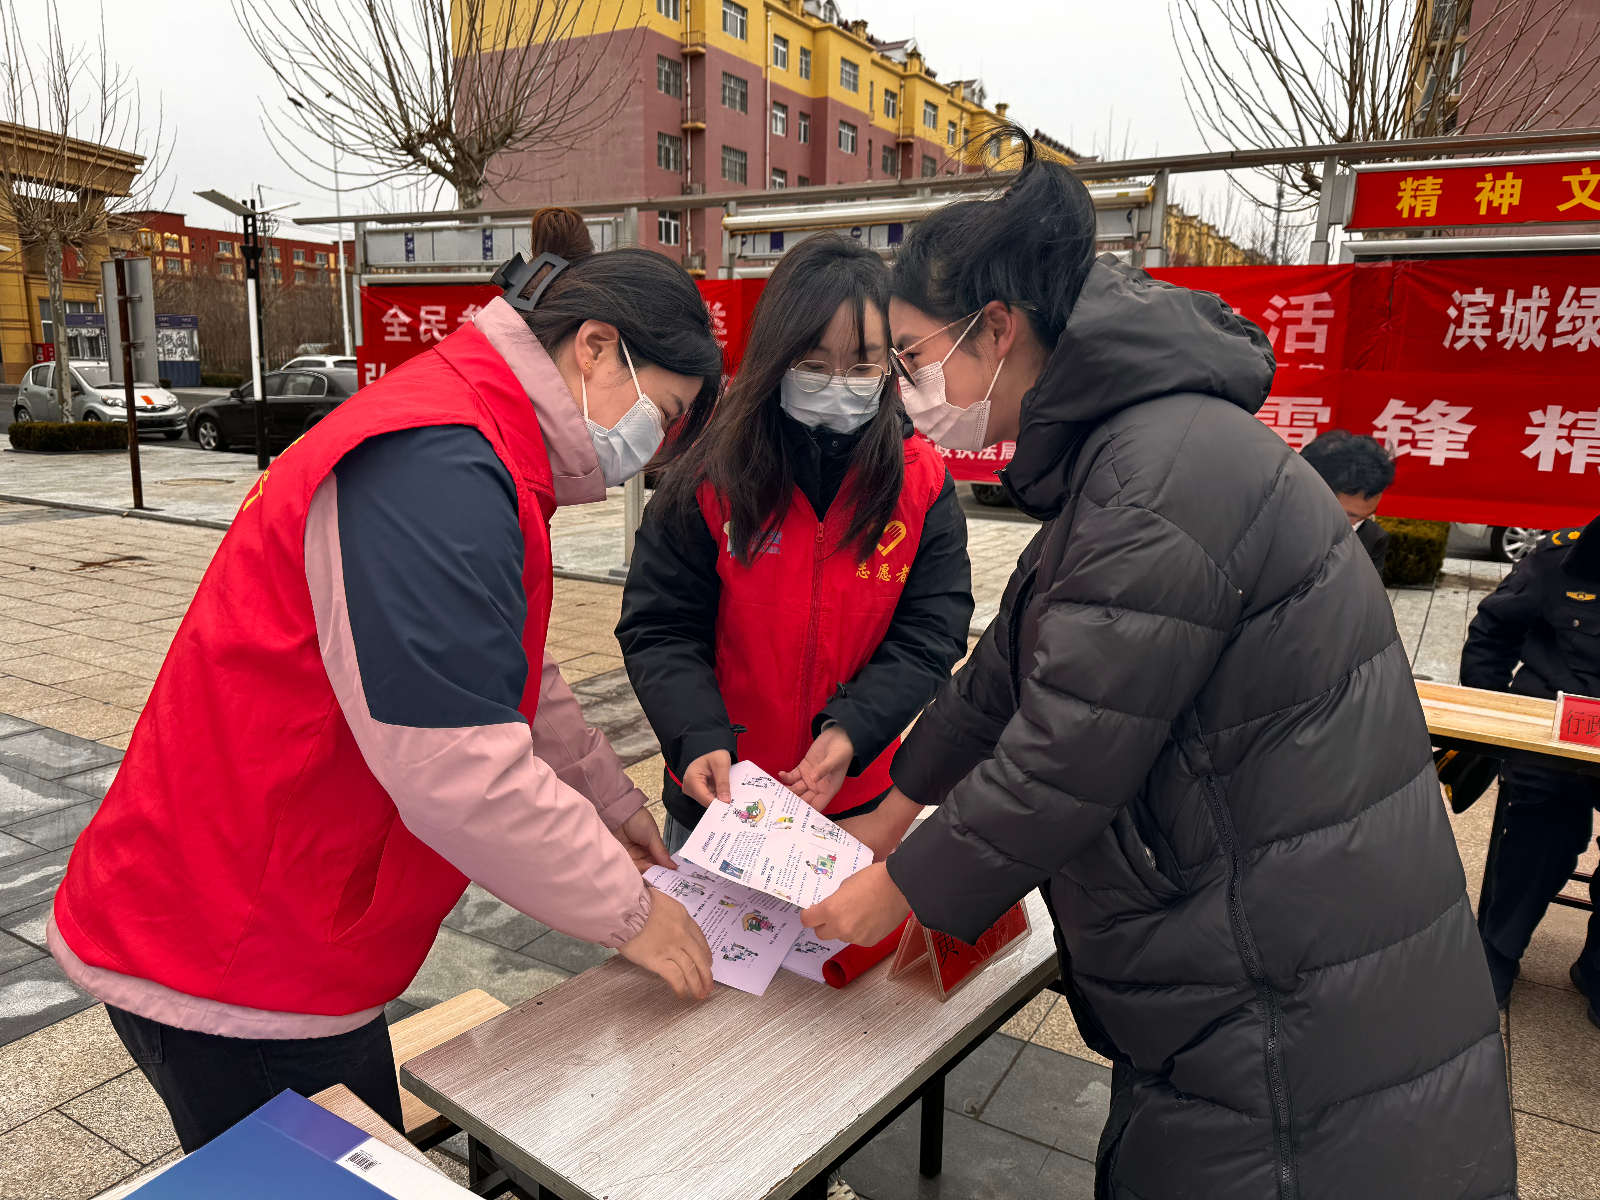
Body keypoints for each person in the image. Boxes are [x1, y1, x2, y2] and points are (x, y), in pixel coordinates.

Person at [801, 130, 1516, 1198]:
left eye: (910, 357)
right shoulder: (1131, 448)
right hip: (1263, 941)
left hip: (1284, 993)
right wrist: (892, 808)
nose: (908, 389)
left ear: (996, 328)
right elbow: (1014, 664)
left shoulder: (1158, 470)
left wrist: (899, 889)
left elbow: (1067, 750)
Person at [48, 209, 721, 1152]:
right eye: (667, 411)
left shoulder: (475, 438)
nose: (657, 443)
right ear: (596, 348)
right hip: (235, 954)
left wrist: (609, 805)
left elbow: (510, 669)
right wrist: (631, 910)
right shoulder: (437, 460)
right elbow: (459, 765)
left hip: (282, 926)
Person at [617, 233, 972, 857]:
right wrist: (696, 733)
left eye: (862, 366)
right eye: (812, 363)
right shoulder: (708, 476)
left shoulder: (922, 482)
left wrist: (854, 729)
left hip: (852, 797)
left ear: (890, 365)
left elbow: (931, 632)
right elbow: (660, 625)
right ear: (774, 356)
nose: (837, 383)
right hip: (719, 796)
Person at [1461, 513, 1600, 1025]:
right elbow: (1493, 630)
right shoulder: (1561, 559)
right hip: (1556, 734)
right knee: (1544, 822)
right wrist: (1493, 716)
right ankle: (1499, 947)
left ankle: (1596, 967)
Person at [1300, 428, 1396, 574]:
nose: (1353, 526)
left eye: (1366, 516)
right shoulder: (1269, 528)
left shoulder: (1372, 538)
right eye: (1348, 515)